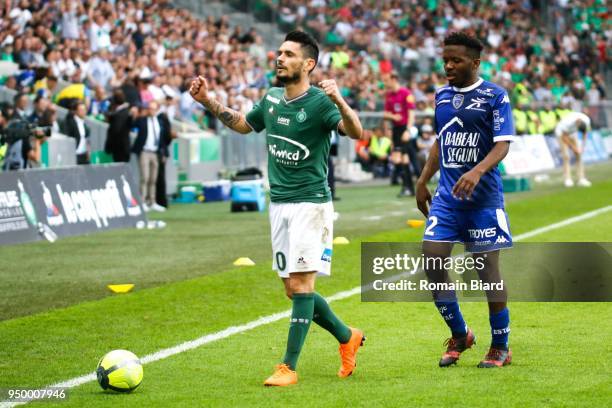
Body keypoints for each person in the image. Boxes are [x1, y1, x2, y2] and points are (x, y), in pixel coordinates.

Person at [189, 30, 365, 386]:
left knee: (302, 286)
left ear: (308, 64)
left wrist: (340, 101)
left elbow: (356, 132)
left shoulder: (319, 103)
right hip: (279, 205)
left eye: (287, 54)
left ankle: (288, 367)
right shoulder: (270, 99)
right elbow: (243, 125)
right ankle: (348, 337)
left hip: (310, 205)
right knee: (292, 289)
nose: (279, 58)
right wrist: (208, 100)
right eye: (279, 53)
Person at [415, 32, 515, 369]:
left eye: (456, 60)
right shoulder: (442, 96)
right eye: (445, 60)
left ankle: (500, 345)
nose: (448, 66)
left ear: (475, 62)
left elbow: (502, 144)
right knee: (432, 261)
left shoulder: (495, 96)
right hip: (447, 199)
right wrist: (422, 179)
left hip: (483, 200)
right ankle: (461, 333)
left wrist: (476, 171)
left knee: (488, 275)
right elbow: (439, 142)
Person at [132, 101, 170, 212]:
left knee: (153, 179)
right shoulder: (142, 120)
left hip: (155, 152)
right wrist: (135, 115)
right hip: (144, 152)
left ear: (157, 110)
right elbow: (133, 124)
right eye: (149, 108)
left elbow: (162, 139)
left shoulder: (160, 122)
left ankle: (152, 201)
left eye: (153, 109)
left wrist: (164, 153)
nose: (151, 111)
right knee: (145, 178)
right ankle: (142, 201)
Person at [383, 72, 416, 196]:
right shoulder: (389, 95)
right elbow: (385, 114)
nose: (385, 83)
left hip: (405, 129)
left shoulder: (406, 93)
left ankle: (408, 188)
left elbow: (412, 113)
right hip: (396, 130)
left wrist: (408, 130)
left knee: (401, 158)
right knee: (401, 159)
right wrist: (393, 117)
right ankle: (408, 188)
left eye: (387, 80)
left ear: (394, 79)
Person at [554, 111, 591, 187]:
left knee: (579, 155)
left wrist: (582, 148)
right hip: (561, 133)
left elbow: (585, 133)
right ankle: (567, 179)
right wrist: (574, 148)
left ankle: (581, 178)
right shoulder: (567, 123)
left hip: (573, 132)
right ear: (577, 123)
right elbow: (564, 137)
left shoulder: (586, 120)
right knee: (566, 156)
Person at [105, 89, 136, 163]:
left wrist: (108, 147)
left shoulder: (119, 114)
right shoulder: (127, 112)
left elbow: (115, 131)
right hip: (124, 148)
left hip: (119, 149)